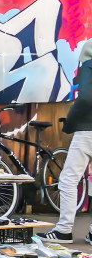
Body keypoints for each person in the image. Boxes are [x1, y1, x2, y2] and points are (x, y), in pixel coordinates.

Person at [47, 41, 92, 243]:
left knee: (68, 179)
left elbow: (86, 99)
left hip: (88, 130)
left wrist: (70, 123)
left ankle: (63, 230)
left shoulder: (89, 65)